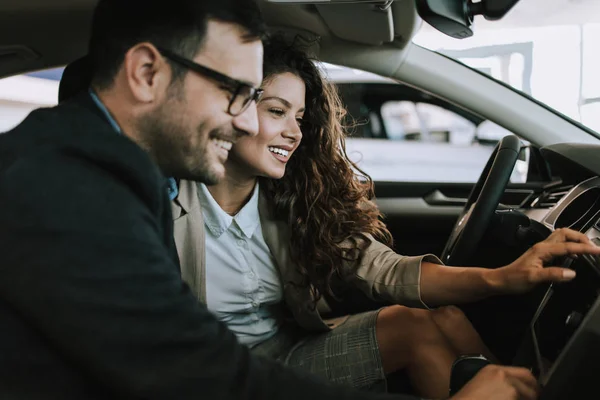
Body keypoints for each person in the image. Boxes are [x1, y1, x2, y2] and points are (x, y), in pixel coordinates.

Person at [166, 35, 600, 399]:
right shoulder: (165, 201)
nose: (295, 132)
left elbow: (384, 270)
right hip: (221, 380)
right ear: (232, 108)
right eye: (276, 111)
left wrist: (502, 277)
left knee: (437, 315)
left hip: (284, 351)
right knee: (418, 331)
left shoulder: (287, 199)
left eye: (300, 117)